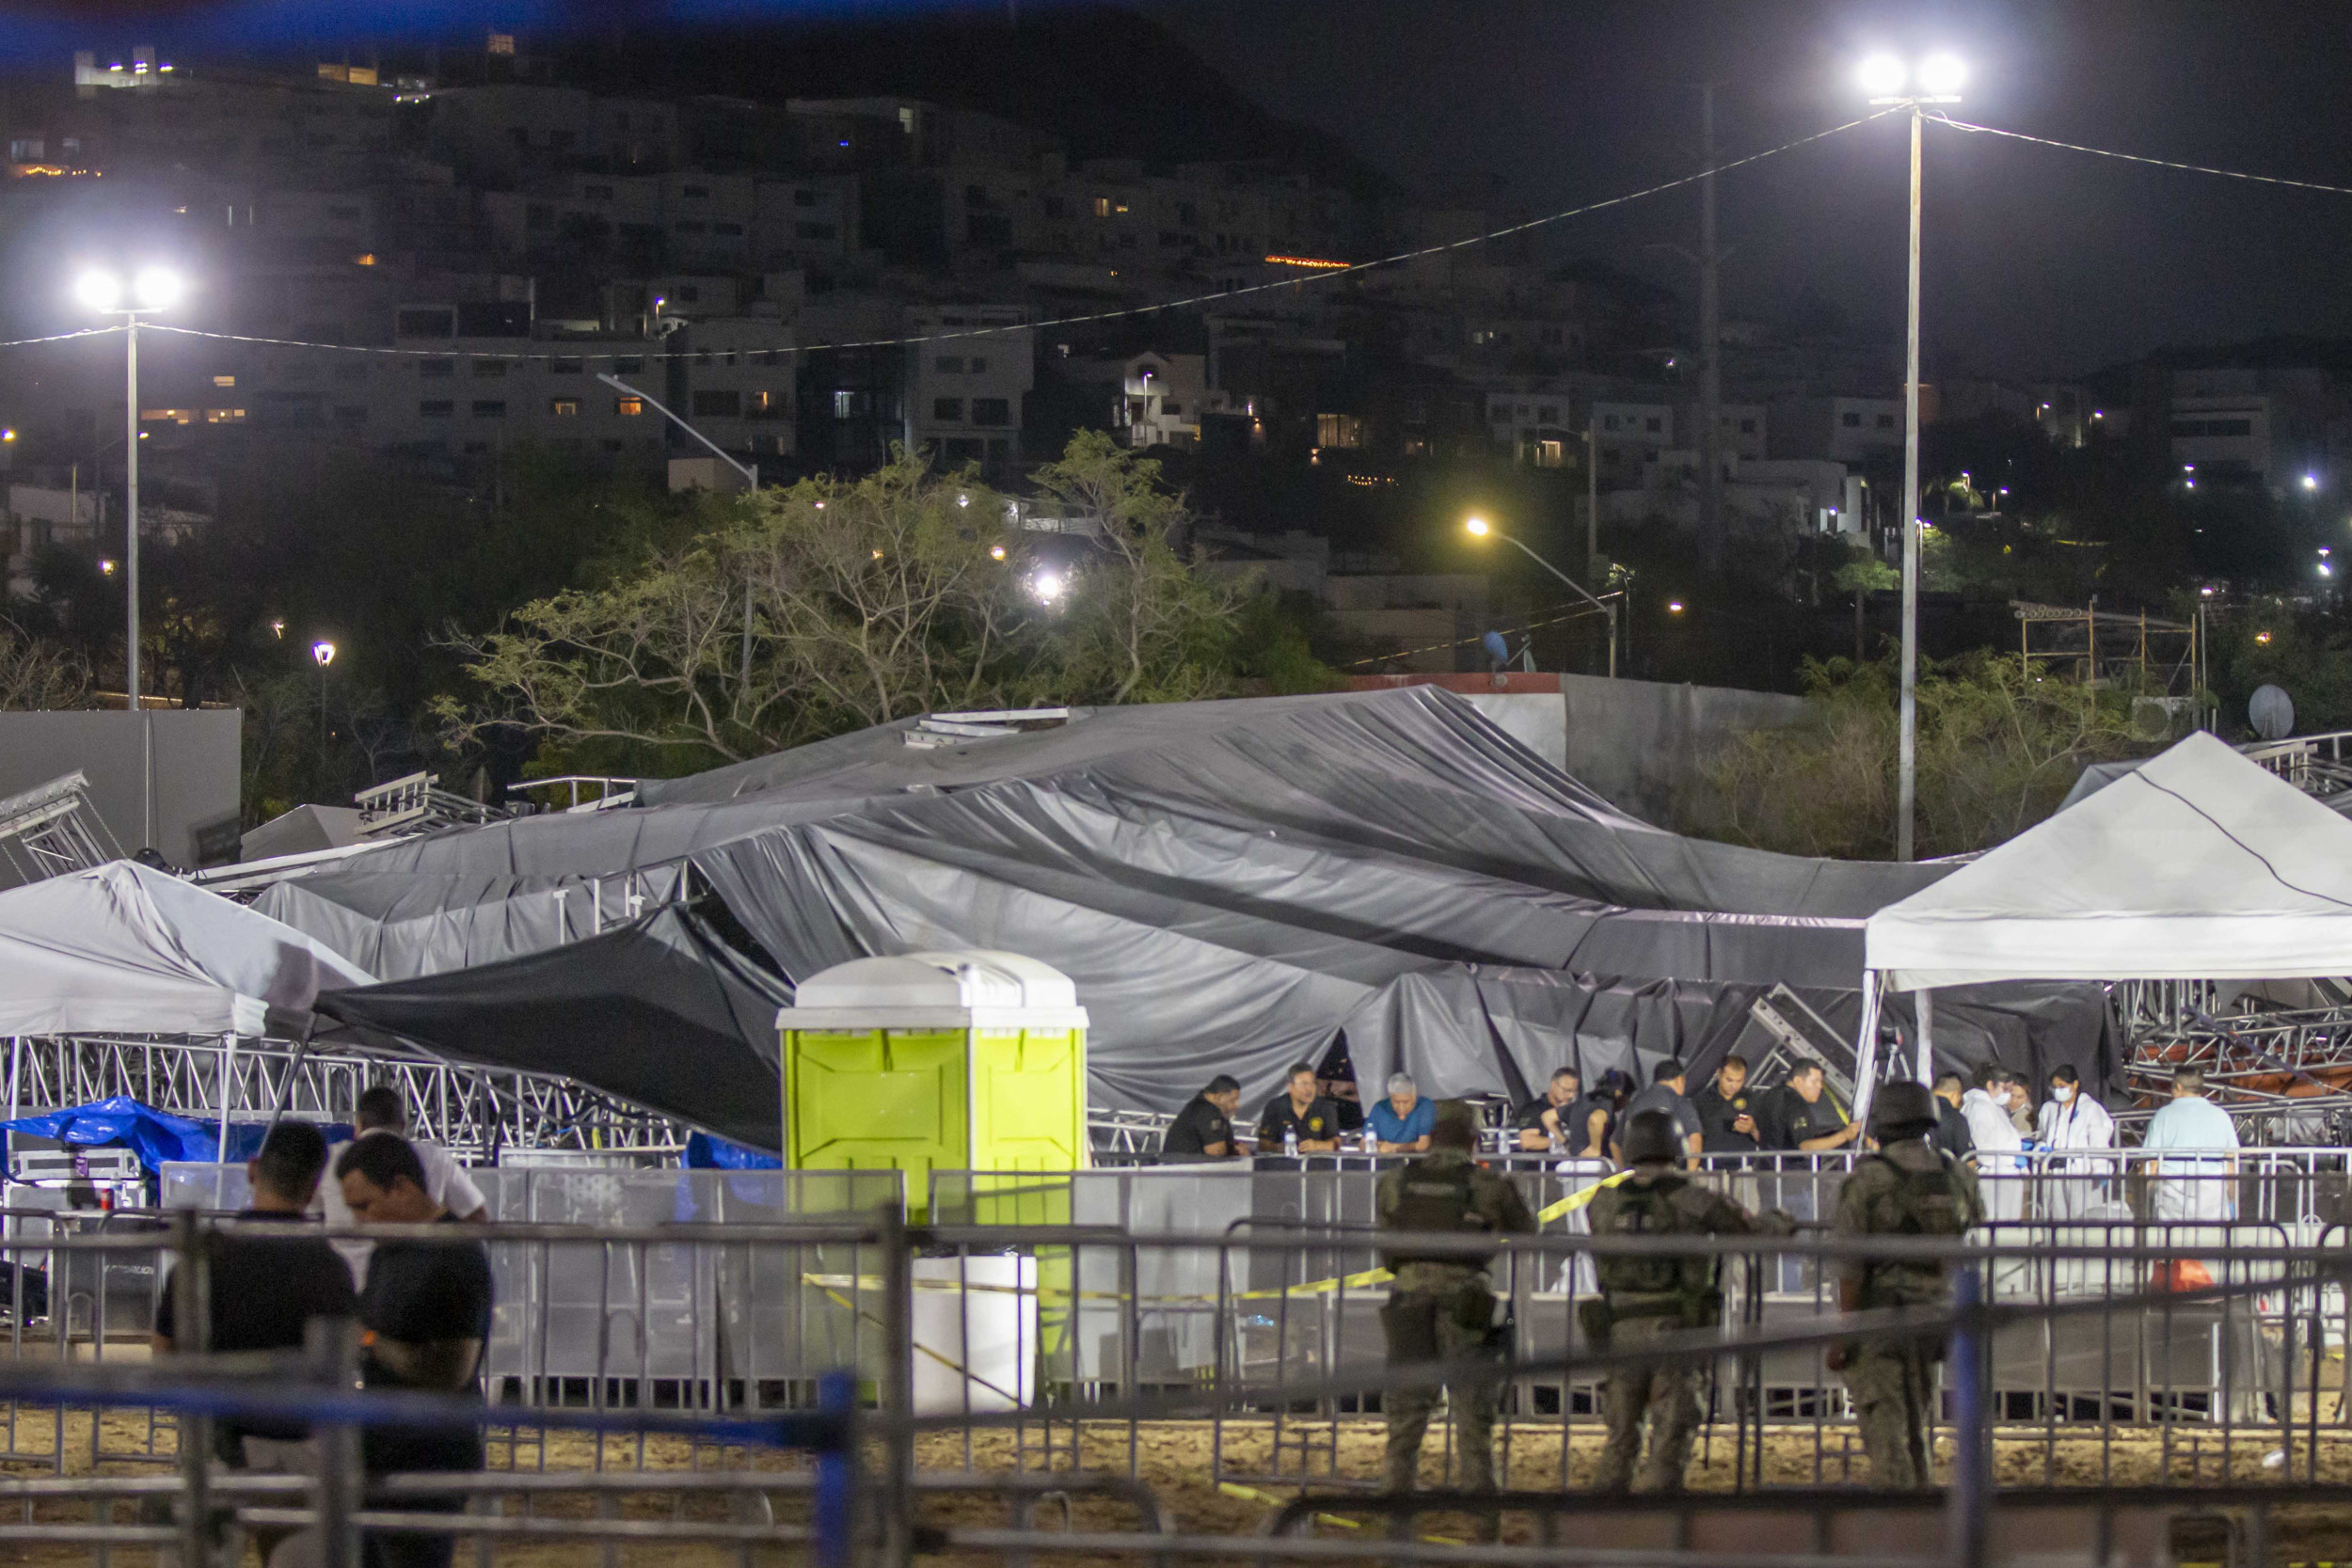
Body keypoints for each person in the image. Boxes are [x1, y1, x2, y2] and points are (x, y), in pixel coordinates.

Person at [154, 1121, 357, 1568]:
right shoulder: (330, 1269)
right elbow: (343, 1365)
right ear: (313, 1186)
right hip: (299, 1444)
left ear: (252, 1170)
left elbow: (165, 1357)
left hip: (216, 1442)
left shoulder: (203, 1259)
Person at [1583, 1109, 1788, 1493]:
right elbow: (1749, 1230)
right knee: (1670, 1438)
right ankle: (1658, 1527)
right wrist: (1781, 1222)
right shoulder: (1692, 1199)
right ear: (1675, 1148)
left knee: (1620, 1437)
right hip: (1676, 1330)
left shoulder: (1603, 1202)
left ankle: (1605, 1524)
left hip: (1619, 1328)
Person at [337, 1135, 495, 1568]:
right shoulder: (390, 1251)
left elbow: (450, 1371)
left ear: (402, 1188)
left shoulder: (457, 1255)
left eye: (365, 1206)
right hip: (384, 1451)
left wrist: (366, 1341)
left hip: (430, 1457)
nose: (358, 1221)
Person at [1826, 1081, 1984, 1490]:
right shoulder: (1957, 1174)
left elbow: (1850, 1264)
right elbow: (1971, 1227)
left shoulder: (1867, 1179)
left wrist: (1846, 1331)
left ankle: (1901, 1526)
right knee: (1919, 1419)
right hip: (1936, 1312)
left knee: (1885, 1428)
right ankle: (1924, 1504)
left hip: (1881, 1317)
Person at [1376, 1101, 1535, 1495]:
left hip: (1410, 1303)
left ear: (1431, 1135)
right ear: (1474, 1140)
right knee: (1472, 1420)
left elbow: (1387, 1242)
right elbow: (1526, 1230)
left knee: (1405, 1421)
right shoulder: (1488, 1187)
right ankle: (1485, 1529)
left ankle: (1394, 1525)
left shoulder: (1396, 1181)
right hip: (1465, 1305)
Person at [316, 1085, 488, 1281]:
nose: (358, 1221)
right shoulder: (433, 1156)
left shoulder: (330, 1157)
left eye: (364, 1206)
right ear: (403, 1125)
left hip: (346, 1287)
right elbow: (476, 1215)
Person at [2141, 1064, 2240, 1222]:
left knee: (2170, 1241)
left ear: (2178, 1087)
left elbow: (2151, 1163)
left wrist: (2146, 1197)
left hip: (2172, 1195)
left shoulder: (2163, 1116)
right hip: (2212, 1195)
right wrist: (2232, 1200)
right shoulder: (2222, 1116)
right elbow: (2230, 1164)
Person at [2035, 1065, 2117, 1220]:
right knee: (2056, 1217)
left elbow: (2098, 1143)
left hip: (2081, 1173)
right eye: (2055, 1087)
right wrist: (2041, 1149)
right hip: (2055, 1174)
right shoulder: (2049, 1109)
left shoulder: (2090, 1109)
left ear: (2075, 1084)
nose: (2058, 1090)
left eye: (2062, 1086)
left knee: (2082, 1217)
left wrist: (2100, 1170)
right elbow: (2042, 1137)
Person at [1958, 1067, 2026, 1222]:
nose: (2008, 1095)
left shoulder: (1993, 1107)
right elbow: (1984, 1151)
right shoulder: (1979, 1108)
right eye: (2005, 1089)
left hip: (2005, 1179)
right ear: (1990, 1085)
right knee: (1993, 1225)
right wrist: (2012, 1159)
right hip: (1993, 1179)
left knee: (2007, 1228)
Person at [1758, 1063, 1861, 1154]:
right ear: (1798, 1081)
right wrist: (1845, 1135)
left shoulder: (1770, 1095)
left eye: (1821, 1082)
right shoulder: (1795, 1103)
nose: (1820, 1086)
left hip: (1765, 1169)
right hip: (1791, 1172)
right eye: (1815, 1081)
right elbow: (1806, 1147)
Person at [1618, 1060, 1703, 1167]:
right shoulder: (1680, 1102)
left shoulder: (1635, 1103)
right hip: (1670, 1173)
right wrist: (1689, 1174)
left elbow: (1615, 1142)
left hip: (1639, 1174)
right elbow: (1694, 1138)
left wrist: (1624, 1170)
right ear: (1679, 1079)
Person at [1256, 1063, 1343, 1154]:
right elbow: (1262, 1143)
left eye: (1312, 1083)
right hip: (1282, 1164)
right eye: (1304, 1084)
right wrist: (1277, 1148)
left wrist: (1316, 1145)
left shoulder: (1326, 1107)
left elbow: (1336, 1143)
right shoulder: (1275, 1106)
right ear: (1290, 1087)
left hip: (1316, 1164)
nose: (1309, 1089)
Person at [1692, 1055, 1762, 1157]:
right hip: (1709, 1165)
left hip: (1744, 1167)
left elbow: (1768, 1141)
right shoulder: (1701, 1100)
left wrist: (1753, 1129)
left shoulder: (1753, 1099)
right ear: (1719, 1074)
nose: (1734, 1086)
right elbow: (1691, 1136)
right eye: (1729, 1080)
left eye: (1739, 1081)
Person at [1162, 1075, 1245, 1160]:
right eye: (1233, 1100)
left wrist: (1236, 1148)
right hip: (1185, 1169)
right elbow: (1216, 1153)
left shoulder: (1204, 1108)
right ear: (1219, 1097)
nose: (1237, 1105)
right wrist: (1238, 1153)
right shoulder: (1207, 1112)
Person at [1515, 1067, 1582, 1150]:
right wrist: (1562, 1142)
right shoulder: (1533, 1110)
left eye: (1574, 1092)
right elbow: (1527, 1141)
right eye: (1567, 1090)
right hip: (1541, 1161)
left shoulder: (1574, 1110)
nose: (1571, 1096)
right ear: (1553, 1085)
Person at [1368, 1072, 1437, 1154]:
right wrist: (1379, 1146)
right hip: (1383, 1160)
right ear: (1390, 1098)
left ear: (1414, 1097)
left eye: (1406, 1102)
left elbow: (1423, 1144)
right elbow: (1363, 1143)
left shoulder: (1424, 1105)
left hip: (1414, 1161)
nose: (1401, 1107)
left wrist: (1395, 1147)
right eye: (1397, 1102)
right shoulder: (1380, 1107)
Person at [1930, 1073, 1978, 1164]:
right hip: (1943, 1176)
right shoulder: (1956, 1118)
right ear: (1955, 1094)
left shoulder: (1915, 1110)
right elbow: (1969, 1160)